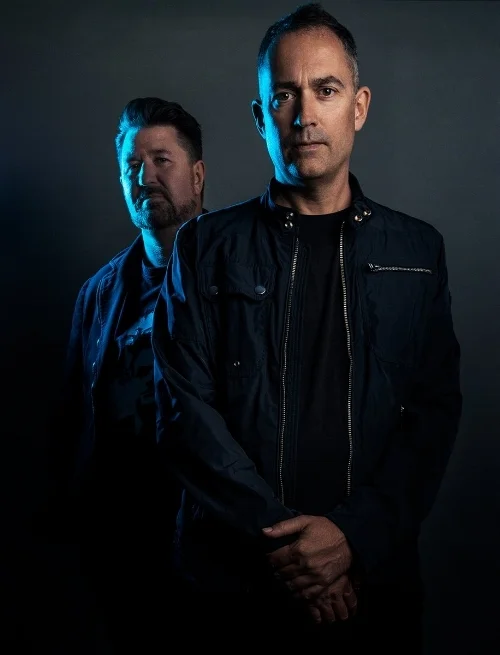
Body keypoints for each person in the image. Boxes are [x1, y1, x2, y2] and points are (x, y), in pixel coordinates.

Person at [153, 3, 461, 651]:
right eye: (284, 95)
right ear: (261, 116)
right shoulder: (205, 247)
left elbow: (432, 417)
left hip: (371, 585)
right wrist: (288, 548)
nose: (305, 115)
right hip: (232, 588)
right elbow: (183, 413)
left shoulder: (418, 250)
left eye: (326, 90)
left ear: (359, 106)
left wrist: (352, 537)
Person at [49, 97, 206, 651]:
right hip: (120, 548)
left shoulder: (240, 274)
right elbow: (72, 421)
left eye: (161, 160)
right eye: (132, 166)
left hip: (212, 545)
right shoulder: (98, 294)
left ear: (197, 175)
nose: (145, 177)